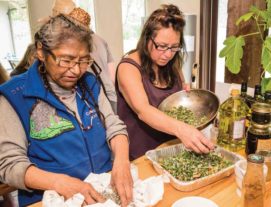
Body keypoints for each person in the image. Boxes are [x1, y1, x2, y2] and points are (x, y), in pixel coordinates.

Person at [0, 10, 132, 207]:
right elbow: (10, 165)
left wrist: (121, 162)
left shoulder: (90, 82)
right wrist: (60, 183)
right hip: (52, 198)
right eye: (66, 60)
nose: (76, 70)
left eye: (83, 60)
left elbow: (113, 125)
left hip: (101, 190)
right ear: (41, 52)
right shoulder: (15, 95)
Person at [116, 4, 214, 160]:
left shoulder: (172, 63)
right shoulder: (128, 68)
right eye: (161, 46)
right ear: (147, 38)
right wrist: (183, 130)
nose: (168, 54)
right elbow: (144, 111)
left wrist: (185, 93)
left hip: (171, 149)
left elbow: (178, 97)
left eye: (174, 47)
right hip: (141, 155)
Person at [51, 0, 118, 112]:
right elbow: (112, 76)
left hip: (90, 96)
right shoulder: (100, 39)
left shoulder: (70, 43)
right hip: (109, 94)